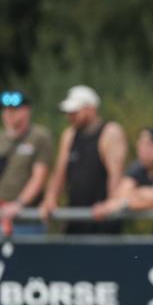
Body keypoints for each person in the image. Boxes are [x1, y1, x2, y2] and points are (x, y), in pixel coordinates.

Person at [39, 85, 127, 234]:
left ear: (91, 109)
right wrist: (50, 198)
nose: (70, 117)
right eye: (69, 113)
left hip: (102, 219)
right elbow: (59, 172)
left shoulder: (110, 133)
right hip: (76, 217)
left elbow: (116, 176)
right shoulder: (69, 135)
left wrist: (110, 205)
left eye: (75, 112)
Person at [0, 90, 53, 236]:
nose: (9, 113)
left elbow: (39, 176)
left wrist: (19, 203)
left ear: (27, 111)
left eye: (14, 110)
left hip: (27, 217)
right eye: (5, 110)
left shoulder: (39, 136)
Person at [93, 128, 153, 233]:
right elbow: (121, 193)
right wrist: (111, 205)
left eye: (147, 146)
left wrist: (124, 203)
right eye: (140, 145)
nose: (142, 150)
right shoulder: (138, 167)